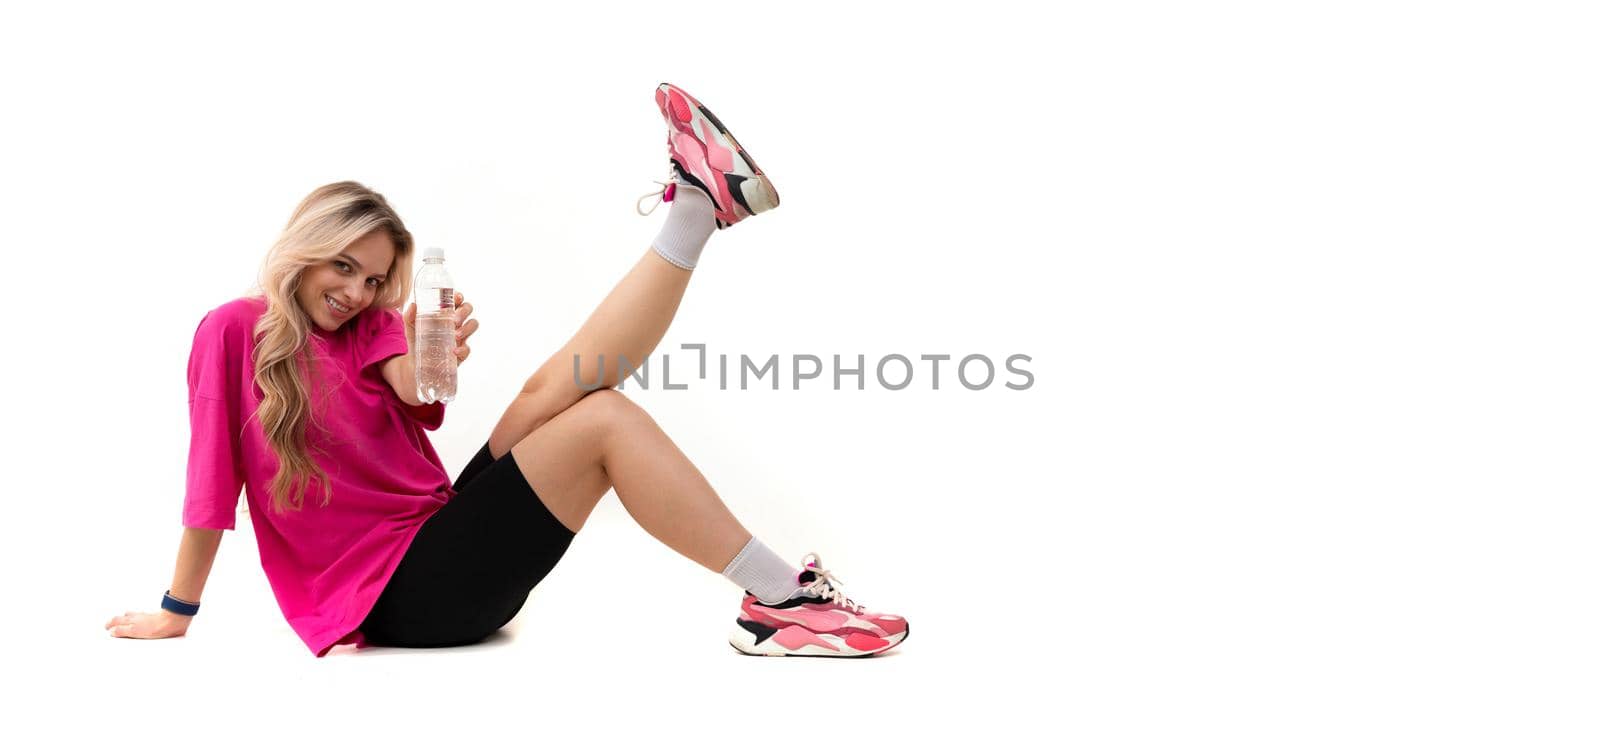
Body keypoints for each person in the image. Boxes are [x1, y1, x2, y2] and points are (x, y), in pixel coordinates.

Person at [103, 83, 909, 658]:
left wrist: (437, 358)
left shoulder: (375, 327)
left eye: (377, 279)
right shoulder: (230, 332)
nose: (357, 293)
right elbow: (210, 486)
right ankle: (783, 603)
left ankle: (697, 209)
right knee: (604, 424)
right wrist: (178, 609)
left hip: (438, 541)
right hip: (404, 599)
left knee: (556, 388)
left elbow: (411, 388)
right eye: (342, 269)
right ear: (303, 252)